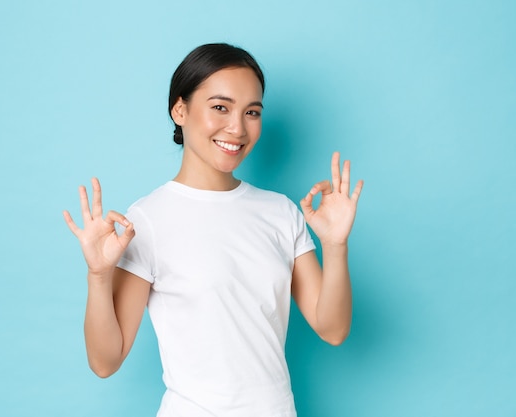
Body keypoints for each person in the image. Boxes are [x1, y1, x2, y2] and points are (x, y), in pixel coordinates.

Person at [63, 43, 363, 417]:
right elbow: (105, 362)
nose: (237, 128)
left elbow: (332, 329)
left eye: (251, 112)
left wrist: (335, 245)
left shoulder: (280, 212)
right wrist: (97, 276)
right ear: (180, 109)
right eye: (220, 107)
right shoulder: (149, 219)